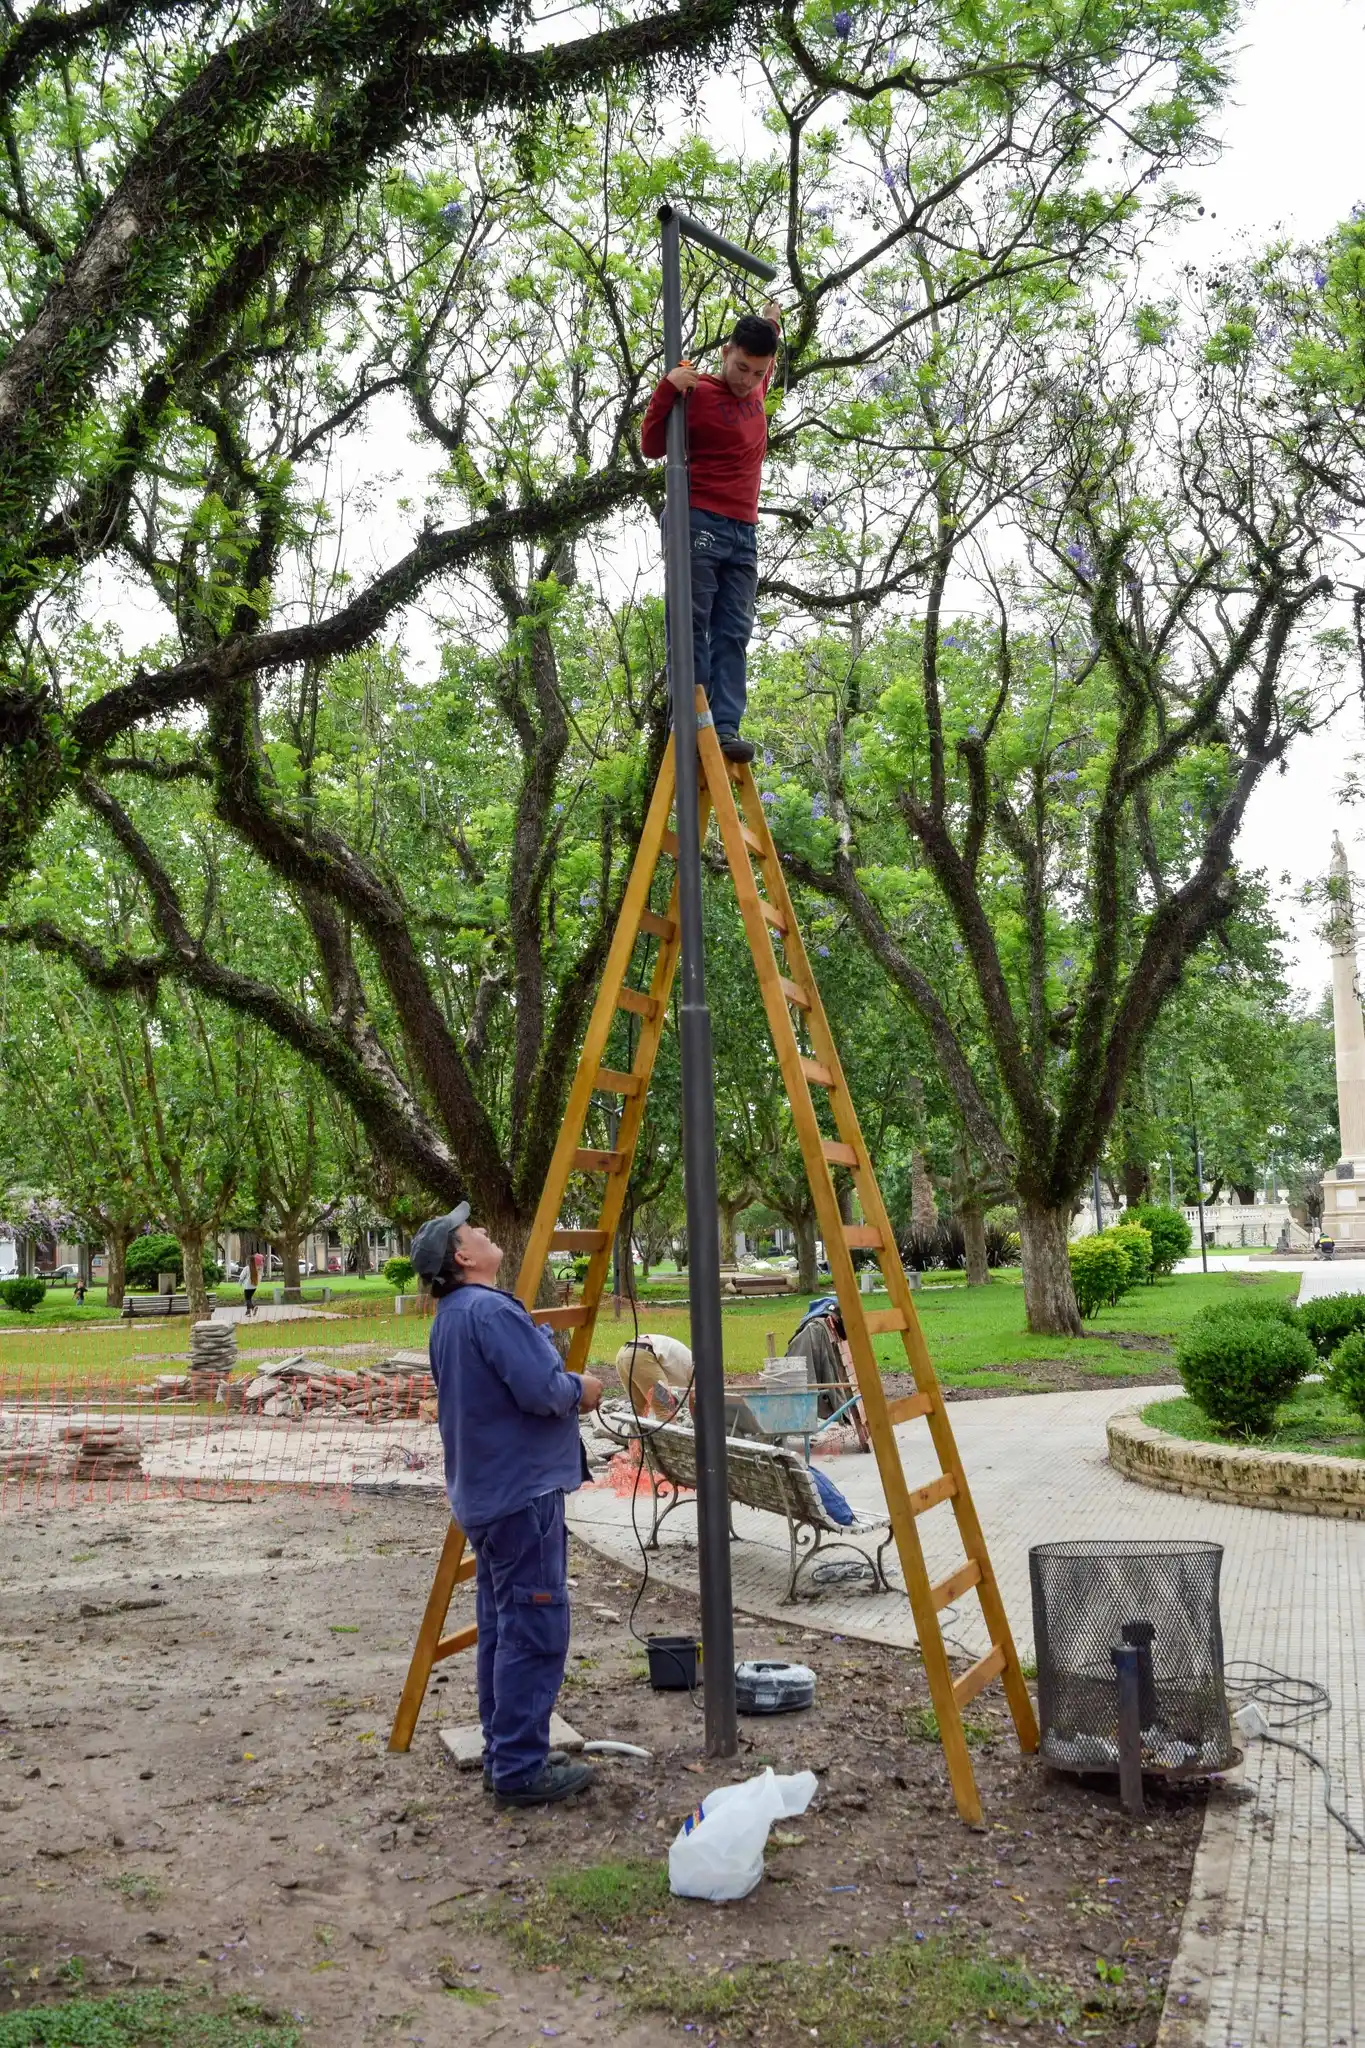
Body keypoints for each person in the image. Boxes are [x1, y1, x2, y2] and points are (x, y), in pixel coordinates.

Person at [413, 1202, 604, 1809]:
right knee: (535, 1628)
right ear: (462, 1256)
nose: (488, 1230)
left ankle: (506, 1752)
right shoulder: (491, 1312)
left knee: (502, 1626)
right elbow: (543, 1391)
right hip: (522, 1498)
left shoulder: (451, 1316)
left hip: (486, 1497)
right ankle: (520, 1769)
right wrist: (584, 1389)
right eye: (476, 1231)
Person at [640, 301, 783, 764]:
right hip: (698, 518)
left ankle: (724, 726)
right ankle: (692, 718)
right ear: (726, 353)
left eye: (757, 372)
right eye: (741, 367)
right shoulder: (696, 390)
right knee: (691, 621)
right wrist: (667, 389)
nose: (747, 379)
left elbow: (770, 345)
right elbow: (651, 445)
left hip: (743, 530)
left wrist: (772, 317)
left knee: (734, 629)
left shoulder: (758, 385)